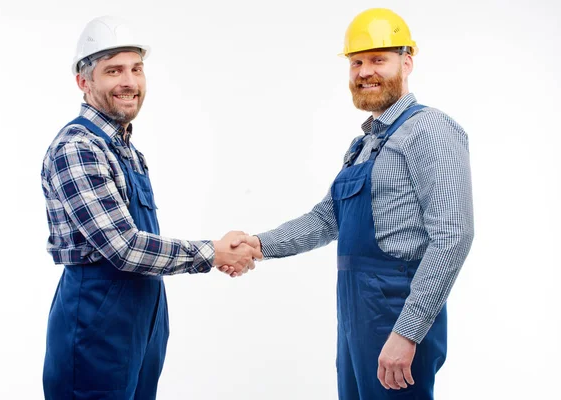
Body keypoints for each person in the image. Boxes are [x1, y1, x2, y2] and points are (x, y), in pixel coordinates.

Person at [224, 8, 474, 400]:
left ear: (407, 62)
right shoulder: (364, 145)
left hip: (397, 309)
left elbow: (453, 236)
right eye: (356, 62)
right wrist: (258, 244)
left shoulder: (430, 130)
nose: (364, 72)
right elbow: (326, 219)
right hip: (356, 311)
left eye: (378, 59)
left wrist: (408, 331)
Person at [40, 16, 261, 400]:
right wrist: (213, 252)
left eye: (136, 69)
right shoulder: (79, 148)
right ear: (84, 81)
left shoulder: (126, 150)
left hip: (141, 321)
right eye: (113, 70)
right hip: (96, 326)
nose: (129, 81)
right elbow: (124, 248)